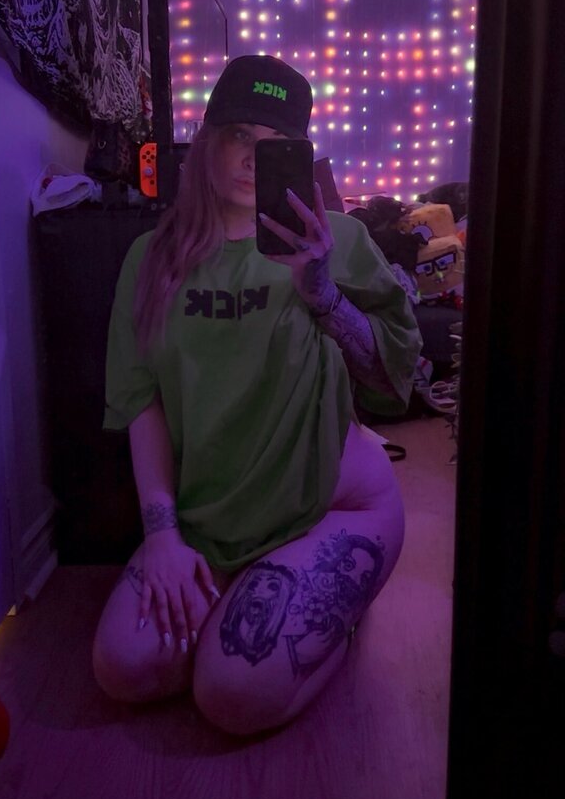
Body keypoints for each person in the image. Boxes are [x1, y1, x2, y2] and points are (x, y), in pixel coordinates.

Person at [92, 55, 423, 735]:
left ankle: (338, 618)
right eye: (240, 135)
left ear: (299, 157)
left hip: (333, 508)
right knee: (122, 668)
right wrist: (162, 537)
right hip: (210, 517)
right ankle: (249, 605)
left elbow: (395, 378)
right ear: (207, 140)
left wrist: (322, 294)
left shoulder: (339, 240)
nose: (252, 158)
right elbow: (141, 403)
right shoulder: (150, 260)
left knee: (230, 694)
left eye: (276, 146)